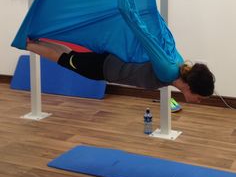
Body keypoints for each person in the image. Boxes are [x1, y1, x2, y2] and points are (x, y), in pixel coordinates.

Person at [26, 39, 215, 104]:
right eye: (199, 98)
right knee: (65, 59)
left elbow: (163, 41)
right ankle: (27, 44)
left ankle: (34, 42)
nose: (197, 101)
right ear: (190, 88)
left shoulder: (177, 65)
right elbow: (150, 43)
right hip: (103, 67)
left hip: (107, 65)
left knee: (68, 57)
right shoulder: (168, 72)